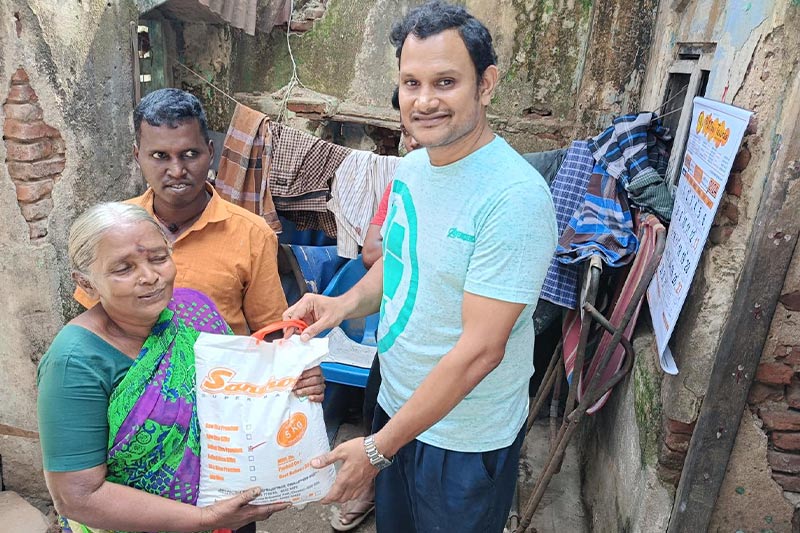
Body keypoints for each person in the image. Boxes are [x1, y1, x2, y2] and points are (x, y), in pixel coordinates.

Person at [286, 2, 558, 532]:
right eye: (411, 82)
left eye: (446, 81)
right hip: (395, 403)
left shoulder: (514, 197)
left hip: (462, 436)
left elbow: (482, 351)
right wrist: (342, 303)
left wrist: (376, 451)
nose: (425, 100)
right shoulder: (412, 168)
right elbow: (401, 263)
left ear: (486, 84)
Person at [38, 203, 324, 533]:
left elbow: (238, 395)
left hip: (229, 505)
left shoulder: (191, 310)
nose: (149, 276)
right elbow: (78, 497)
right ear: (86, 284)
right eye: (123, 269)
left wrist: (293, 386)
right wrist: (203, 520)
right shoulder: (75, 363)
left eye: (158, 258)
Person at [74, 88, 287, 335]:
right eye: (159, 156)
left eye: (189, 154)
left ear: (210, 153)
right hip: (130, 372)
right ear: (137, 156)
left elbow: (273, 335)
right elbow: (93, 326)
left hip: (221, 372)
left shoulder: (252, 234)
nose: (176, 170)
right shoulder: (111, 230)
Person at [329, 96, 421, 532]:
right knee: (377, 407)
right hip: (394, 336)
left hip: (447, 351)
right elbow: (371, 251)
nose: (412, 140)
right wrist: (340, 305)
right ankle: (370, 489)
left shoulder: (498, 194)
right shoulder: (403, 184)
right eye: (407, 130)